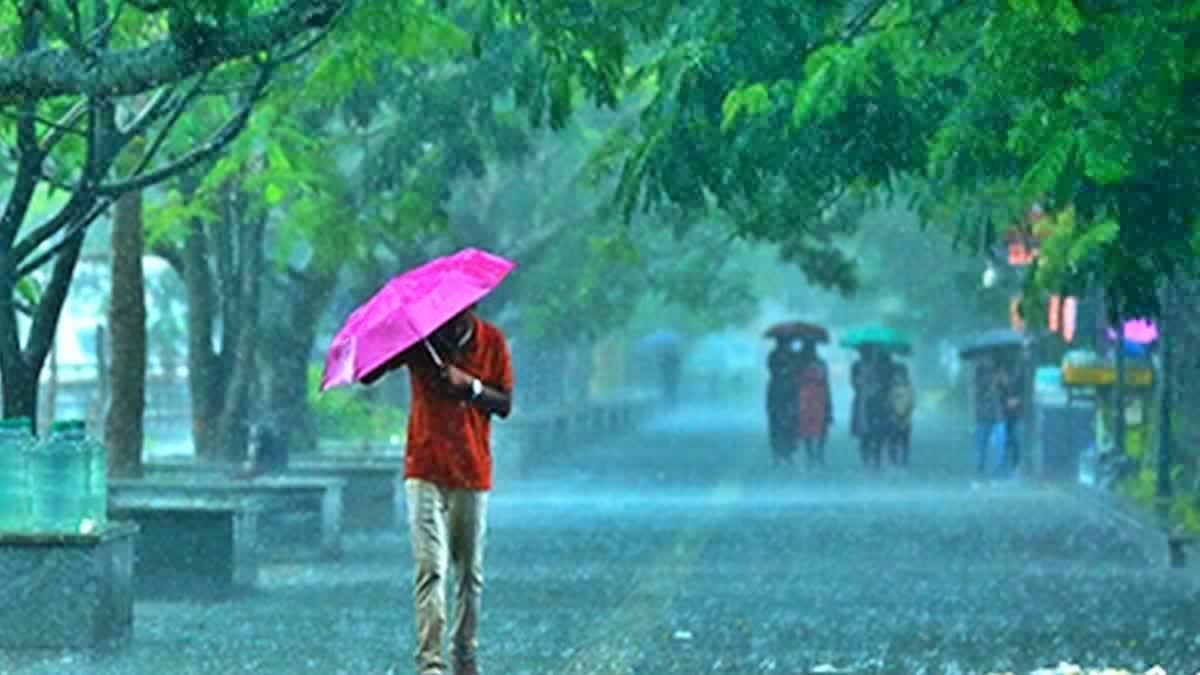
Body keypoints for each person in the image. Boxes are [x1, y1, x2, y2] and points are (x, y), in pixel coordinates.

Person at [365, 305, 513, 675]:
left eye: (458, 315)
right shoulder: (421, 341)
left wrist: (471, 386)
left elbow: (505, 404)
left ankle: (465, 652)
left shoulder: (491, 341)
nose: (450, 321)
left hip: (472, 469)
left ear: (473, 309)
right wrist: (394, 339)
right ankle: (430, 662)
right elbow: (369, 375)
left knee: (469, 572)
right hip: (425, 467)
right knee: (430, 567)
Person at [794, 341, 833, 466]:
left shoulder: (819, 364)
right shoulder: (801, 365)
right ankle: (812, 453)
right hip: (808, 397)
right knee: (808, 426)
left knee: (820, 425)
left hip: (815, 397)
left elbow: (826, 381)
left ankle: (817, 452)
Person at [766, 339, 800, 464]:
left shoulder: (794, 355)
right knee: (776, 423)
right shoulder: (773, 355)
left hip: (790, 392)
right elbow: (771, 369)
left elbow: (798, 370)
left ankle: (788, 452)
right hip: (777, 392)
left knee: (790, 423)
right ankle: (777, 452)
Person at [886, 364, 915, 467]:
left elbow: (911, 403)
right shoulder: (892, 388)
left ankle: (903, 460)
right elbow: (889, 403)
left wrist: (905, 414)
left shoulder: (909, 388)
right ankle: (894, 459)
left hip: (905, 419)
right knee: (894, 440)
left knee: (903, 441)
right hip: (894, 418)